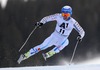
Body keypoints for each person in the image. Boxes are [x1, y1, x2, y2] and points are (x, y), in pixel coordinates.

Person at [17, 5, 85, 64]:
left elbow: (82, 31)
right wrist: (41, 22)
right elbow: (47, 18)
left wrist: (80, 36)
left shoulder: (73, 22)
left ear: (70, 14)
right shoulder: (58, 16)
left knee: (66, 42)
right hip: (54, 36)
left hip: (63, 38)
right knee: (42, 46)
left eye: (66, 15)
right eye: (63, 14)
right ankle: (25, 55)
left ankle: (48, 54)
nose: (64, 16)